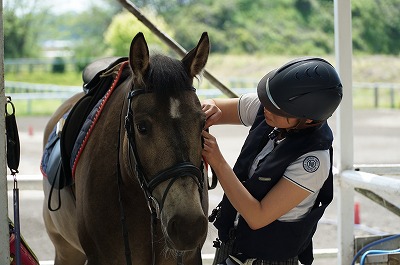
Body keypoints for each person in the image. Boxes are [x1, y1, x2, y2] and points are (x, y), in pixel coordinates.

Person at [201, 57, 343, 265]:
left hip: (271, 259)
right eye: (267, 102)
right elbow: (215, 106)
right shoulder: (270, 108)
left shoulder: (313, 160)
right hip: (230, 246)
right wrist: (209, 108)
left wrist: (218, 162)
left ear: (309, 119)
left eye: (277, 109)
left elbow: (257, 217)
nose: (267, 109)